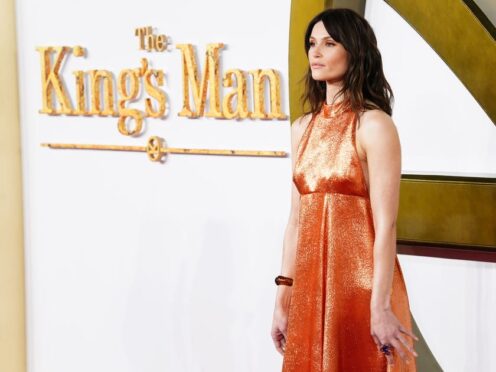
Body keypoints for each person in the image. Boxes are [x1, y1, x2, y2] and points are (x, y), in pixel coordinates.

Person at [271, 8, 418, 371]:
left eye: (329, 43)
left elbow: (386, 226)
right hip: (310, 289)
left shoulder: (374, 125)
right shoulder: (302, 127)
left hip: (361, 291)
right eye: (312, 44)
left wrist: (381, 306)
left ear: (354, 52)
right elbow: (295, 221)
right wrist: (283, 295)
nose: (316, 53)